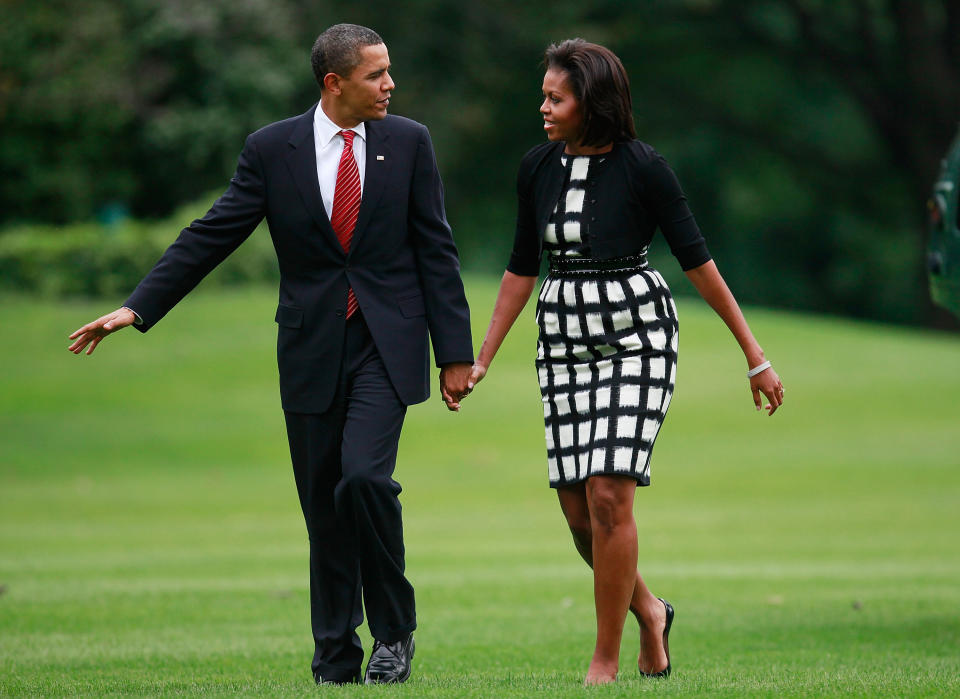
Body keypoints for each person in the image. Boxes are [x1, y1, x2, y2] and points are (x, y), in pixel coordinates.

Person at [67, 23, 475, 686]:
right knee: (324, 505)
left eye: (389, 71)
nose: (389, 85)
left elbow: (437, 249)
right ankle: (335, 654)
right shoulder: (271, 149)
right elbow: (214, 232)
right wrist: (137, 307)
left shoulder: (408, 143)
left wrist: (454, 351)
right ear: (333, 82)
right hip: (312, 348)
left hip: (386, 344)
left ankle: (394, 630)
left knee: (364, 479)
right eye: (376, 75)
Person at [468, 39, 784, 685]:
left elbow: (700, 263)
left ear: (592, 101)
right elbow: (521, 266)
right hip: (562, 340)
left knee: (610, 493)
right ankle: (650, 609)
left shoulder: (646, 168)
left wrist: (754, 355)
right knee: (579, 511)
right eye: (545, 95)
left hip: (636, 336)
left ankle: (604, 660)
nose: (544, 107)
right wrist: (483, 358)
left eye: (556, 97)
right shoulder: (536, 167)